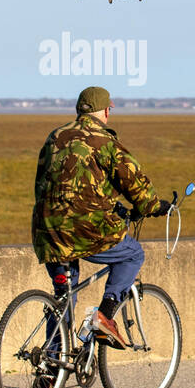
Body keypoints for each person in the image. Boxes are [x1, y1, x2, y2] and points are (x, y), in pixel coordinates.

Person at [31, 86, 172, 365]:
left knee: (63, 296)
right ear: (106, 111)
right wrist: (154, 206)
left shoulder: (55, 137)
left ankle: (51, 368)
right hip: (86, 231)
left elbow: (42, 184)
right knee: (133, 254)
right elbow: (134, 182)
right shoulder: (104, 141)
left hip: (47, 230)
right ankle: (105, 315)